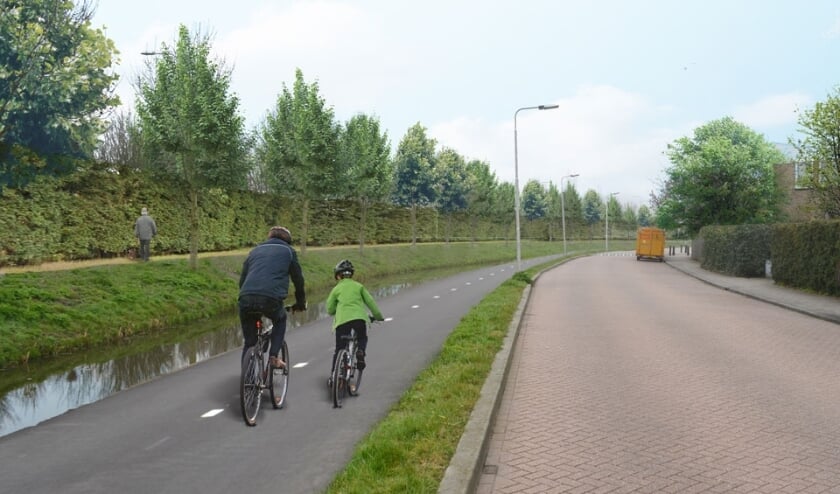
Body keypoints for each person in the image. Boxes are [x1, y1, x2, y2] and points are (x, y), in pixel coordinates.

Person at [238, 226, 306, 370]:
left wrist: (249, 295)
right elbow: (298, 280)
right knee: (280, 320)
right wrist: (300, 303)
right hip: (271, 298)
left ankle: (247, 378)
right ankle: (274, 357)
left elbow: (242, 279)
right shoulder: (288, 251)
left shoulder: (255, 251)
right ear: (288, 240)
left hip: (246, 297)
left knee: (250, 342)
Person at [326, 259, 384, 390]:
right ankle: (361, 352)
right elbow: (371, 303)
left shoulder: (336, 289)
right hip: (359, 318)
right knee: (362, 337)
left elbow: (329, 309)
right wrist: (378, 317)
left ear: (338, 275)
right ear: (351, 274)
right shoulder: (359, 286)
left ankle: (334, 375)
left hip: (342, 321)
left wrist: (339, 309)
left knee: (339, 349)